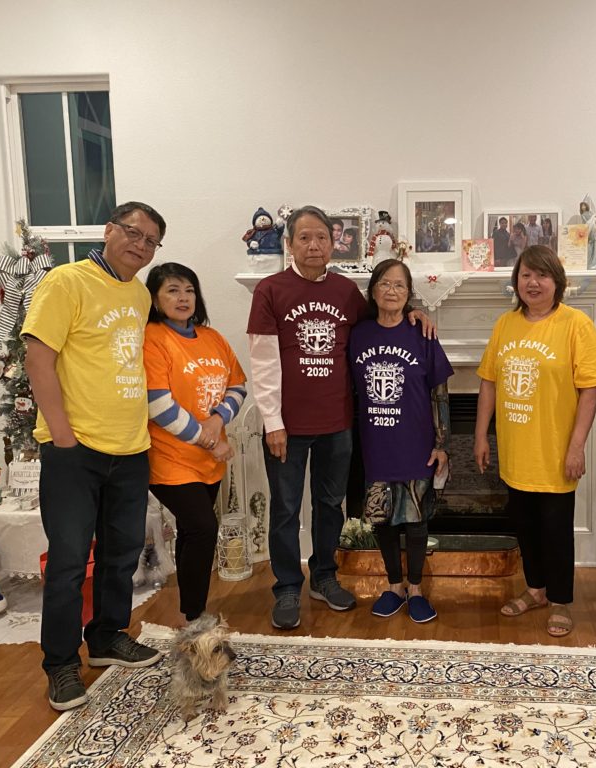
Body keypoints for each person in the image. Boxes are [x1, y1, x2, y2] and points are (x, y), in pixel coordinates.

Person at [246, 205, 433, 630]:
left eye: (322, 238)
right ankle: (289, 585)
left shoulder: (347, 292)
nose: (314, 245)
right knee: (286, 509)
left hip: (338, 422)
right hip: (287, 427)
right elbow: (262, 361)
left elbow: (388, 313)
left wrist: (417, 309)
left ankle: (324, 576)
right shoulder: (270, 291)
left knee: (329, 505)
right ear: (289, 243)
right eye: (305, 238)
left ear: (334, 244)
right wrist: (271, 420)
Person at [23, 201, 167, 711]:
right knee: (67, 561)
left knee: (121, 553)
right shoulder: (67, 282)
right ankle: (61, 664)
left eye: (151, 240)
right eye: (133, 232)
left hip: (130, 447)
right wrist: (61, 434)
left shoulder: (138, 296)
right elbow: (38, 356)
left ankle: (106, 638)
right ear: (109, 231)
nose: (140, 244)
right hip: (75, 449)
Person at [473, 245, 596, 637]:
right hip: (516, 450)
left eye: (542, 275)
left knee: (555, 529)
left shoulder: (575, 324)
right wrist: (480, 436)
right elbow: (488, 382)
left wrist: (577, 446)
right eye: (526, 274)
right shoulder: (506, 324)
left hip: (555, 451)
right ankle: (535, 590)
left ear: (557, 282)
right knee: (525, 526)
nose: (533, 282)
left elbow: (591, 389)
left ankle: (561, 600)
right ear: (516, 281)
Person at [349, 259, 453, 623]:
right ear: (374, 289)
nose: (392, 291)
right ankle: (394, 586)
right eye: (385, 284)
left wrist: (442, 444)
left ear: (409, 295)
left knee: (416, 520)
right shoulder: (358, 334)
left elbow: (440, 392)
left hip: (416, 442)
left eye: (400, 286)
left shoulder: (421, 334)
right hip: (375, 442)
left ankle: (418, 588)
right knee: (382, 519)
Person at [144, 262, 247, 623]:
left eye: (188, 289)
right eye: (172, 290)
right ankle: (197, 613)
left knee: (193, 531)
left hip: (208, 460)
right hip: (170, 459)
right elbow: (157, 404)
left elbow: (237, 386)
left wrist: (218, 421)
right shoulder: (153, 338)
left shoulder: (212, 337)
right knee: (203, 528)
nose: (183, 297)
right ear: (155, 298)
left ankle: (191, 613)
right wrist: (209, 440)